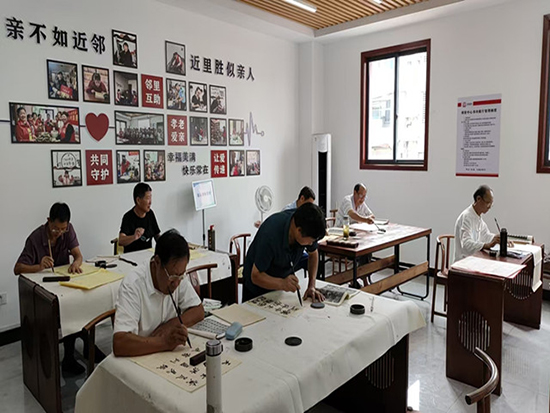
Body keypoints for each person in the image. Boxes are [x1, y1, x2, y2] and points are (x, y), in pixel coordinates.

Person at [13, 203, 85, 374]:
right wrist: (38, 266)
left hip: (63, 285)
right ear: (48, 221)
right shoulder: (35, 238)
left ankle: (81, 348)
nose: (59, 233)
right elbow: (17, 268)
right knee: (68, 311)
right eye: (55, 229)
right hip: (44, 290)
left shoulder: (68, 230)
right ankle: (63, 359)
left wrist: (76, 263)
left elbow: (78, 255)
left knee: (80, 303)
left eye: (63, 229)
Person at [113, 230, 204, 357]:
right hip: (140, 355)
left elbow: (198, 311)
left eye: (180, 276)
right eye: (172, 277)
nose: (176, 284)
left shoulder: (177, 274)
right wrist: (164, 342)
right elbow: (120, 343)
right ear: (157, 262)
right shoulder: (133, 284)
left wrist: (170, 326)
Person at [243, 203, 326, 302]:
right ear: (299, 230)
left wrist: (311, 286)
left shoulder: (308, 226)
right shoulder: (271, 233)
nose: (311, 244)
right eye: (311, 241)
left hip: (278, 285)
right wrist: (282, 283)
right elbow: (256, 276)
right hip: (256, 288)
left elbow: (313, 253)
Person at [454, 185, 500, 261]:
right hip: (463, 262)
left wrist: (497, 238)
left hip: (473, 259)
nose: (489, 207)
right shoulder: (467, 216)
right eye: (488, 203)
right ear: (478, 199)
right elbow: (466, 244)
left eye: (491, 204)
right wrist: (486, 245)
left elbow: (485, 235)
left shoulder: (478, 217)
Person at [118, 183, 161, 253]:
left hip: (147, 255)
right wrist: (134, 237)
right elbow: (121, 241)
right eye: (148, 198)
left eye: (151, 198)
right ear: (138, 200)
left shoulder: (150, 214)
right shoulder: (128, 217)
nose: (150, 202)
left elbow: (157, 236)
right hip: (131, 256)